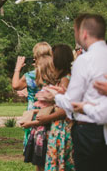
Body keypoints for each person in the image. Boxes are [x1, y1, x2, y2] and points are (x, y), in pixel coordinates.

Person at [41, 14, 107, 171]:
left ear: (84, 34)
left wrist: (56, 96)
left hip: (88, 130)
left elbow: (71, 103)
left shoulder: (84, 60)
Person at [36, 44, 75, 171]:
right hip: (58, 128)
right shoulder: (62, 79)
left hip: (63, 130)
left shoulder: (66, 80)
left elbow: (65, 110)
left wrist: (46, 119)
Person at [12, 42, 52, 152]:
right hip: (50, 110)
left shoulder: (30, 75)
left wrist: (17, 68)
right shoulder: (55, 73)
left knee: (34, 140)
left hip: (33, 111)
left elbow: (16, 86)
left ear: (35, 57)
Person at [22, 53, 57, 171]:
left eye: (38, 67)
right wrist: (34, 112)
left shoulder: (51, 90)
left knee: (43, 164)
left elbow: (47, 115)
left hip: (47, 132)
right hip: (41, 131)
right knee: (39, 164)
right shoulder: (49, 86)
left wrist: (30, 124)